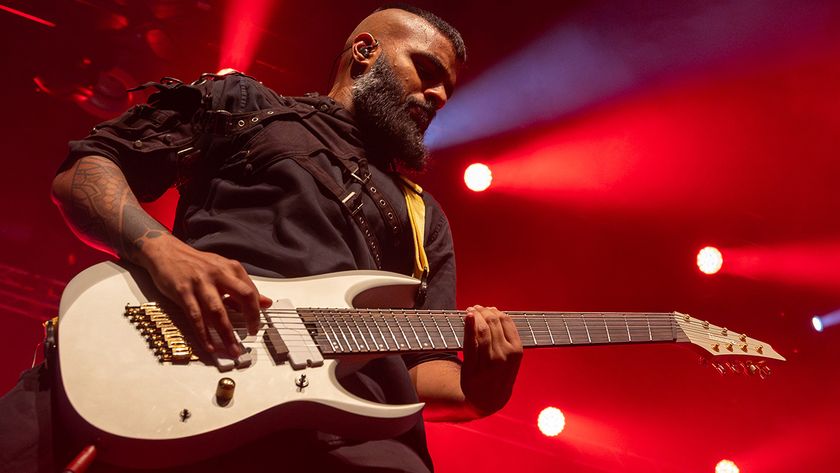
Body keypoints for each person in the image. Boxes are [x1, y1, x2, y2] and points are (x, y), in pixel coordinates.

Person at [1, 4, 523, 473]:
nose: (436, 96)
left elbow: (421, 369)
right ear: (365, 51)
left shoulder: (423, 217)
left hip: (351, 439)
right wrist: (163, 251)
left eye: (446, 91)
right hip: (187, 365)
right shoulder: (248, 103)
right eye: (426, 71)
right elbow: (85, 174)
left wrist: (480, 394)